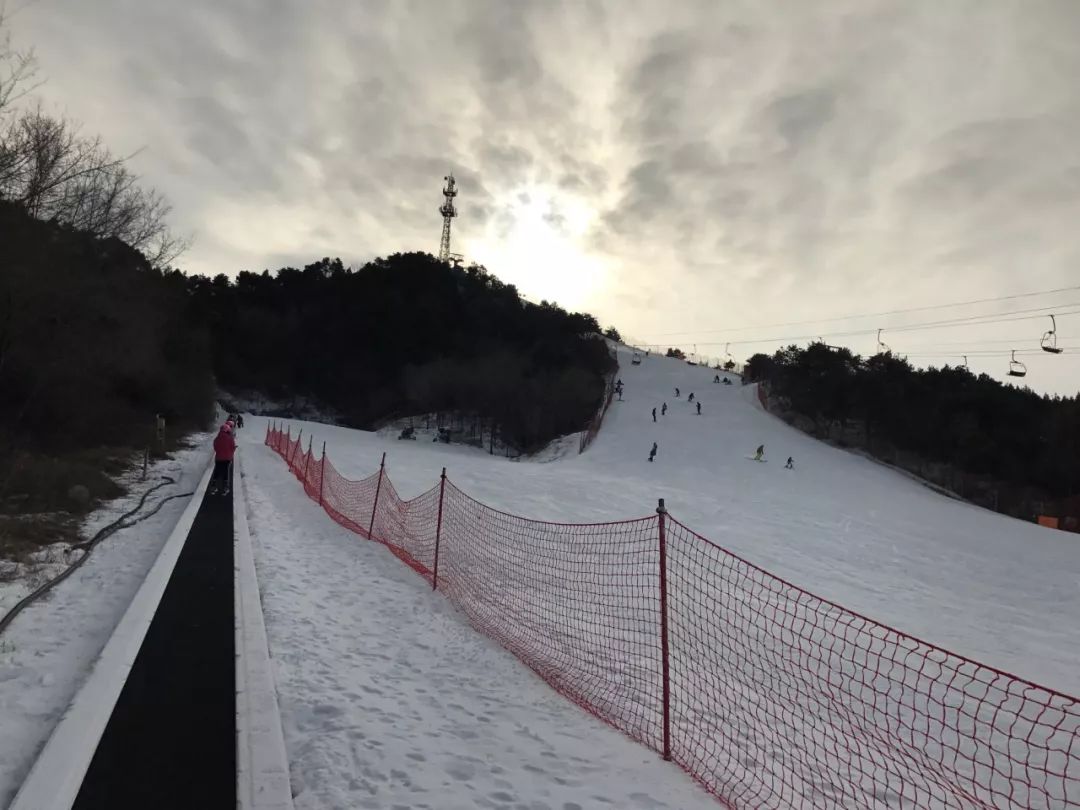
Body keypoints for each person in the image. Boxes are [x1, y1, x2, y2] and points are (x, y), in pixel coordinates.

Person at [210, 422, 237, 495]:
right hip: (227, 458)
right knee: (226, 472)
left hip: (218, 458)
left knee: (217, 471)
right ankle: (225, 487)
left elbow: (215, 448)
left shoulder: (217, 438)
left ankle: (213, 486)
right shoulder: (230, 438)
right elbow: (233, 448)